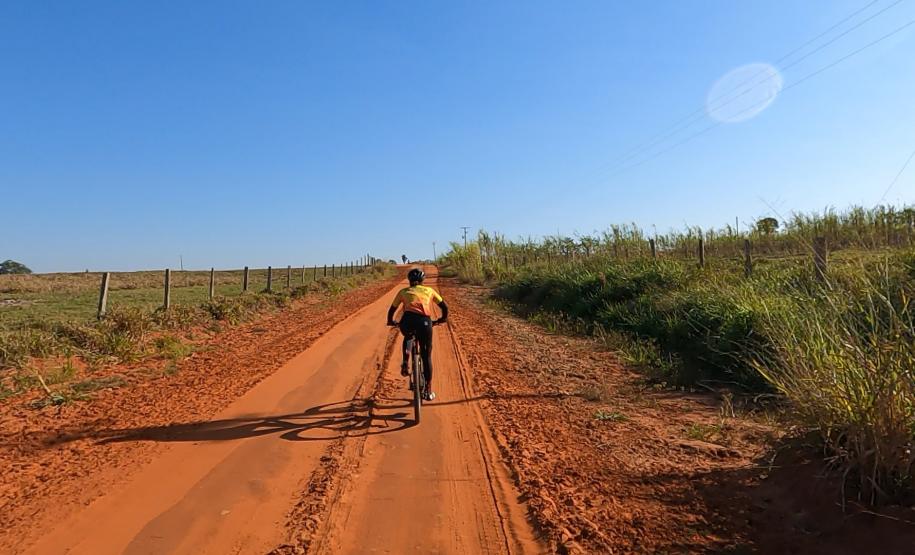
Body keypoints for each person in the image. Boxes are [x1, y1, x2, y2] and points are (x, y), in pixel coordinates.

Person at [387, 268, 448, 400]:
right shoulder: (429, 291)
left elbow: (392, 309)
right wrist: (442, 319)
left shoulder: (403, 291)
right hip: (424, 322)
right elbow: (444, 307)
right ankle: (428, 389)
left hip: (407, 321)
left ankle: (405, 360)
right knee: (426, 356)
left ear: (409, 281)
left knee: (408, 336)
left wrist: (391, 321)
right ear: (422, 281)